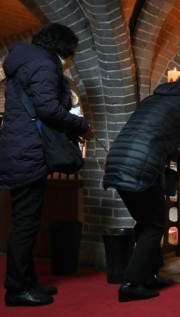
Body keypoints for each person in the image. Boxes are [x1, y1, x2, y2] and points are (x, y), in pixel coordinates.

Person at [102, 74, 180, 303]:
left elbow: (151, 134)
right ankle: (130, 284)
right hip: (140, 167)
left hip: (117, 163)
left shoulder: (151, 100)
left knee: (146, 221)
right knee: (154, 224)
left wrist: (173, 154)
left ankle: (148, 275)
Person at [0, 23, 93, 306]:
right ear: (63, 49)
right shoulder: (44, 64)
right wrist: (81, 126)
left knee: (26, 221)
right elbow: (48, 108)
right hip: (27, 153)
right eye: (72, 54)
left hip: (19, 150)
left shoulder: (26, 62)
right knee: (26, 224)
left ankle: (28, 281)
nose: (71, 61)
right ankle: (16, 289)